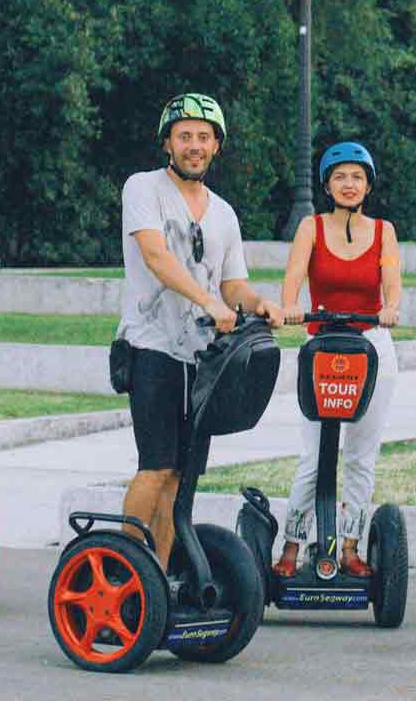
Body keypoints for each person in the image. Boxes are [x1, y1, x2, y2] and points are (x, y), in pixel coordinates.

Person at [117, 93, 280, 566]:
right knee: (155, 467)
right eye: (184, 136)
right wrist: (206, 300)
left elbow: (233, 285)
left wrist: (257, 303)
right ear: (167, 143)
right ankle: (122, 566)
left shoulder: (224, 213)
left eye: (203, 137)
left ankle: (160, 578)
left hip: (204, 360)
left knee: (181, 477)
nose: (194, 145)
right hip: (151, 348)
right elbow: (155, 255)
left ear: (216, 147)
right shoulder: (143, 188)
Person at [274, 142, 404, 579]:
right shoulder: (310, 228)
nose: (349, 185)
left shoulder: (384, 230)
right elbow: (292, 280)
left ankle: (349, 546)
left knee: (361, 457)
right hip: (321, 347)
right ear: (328, 184)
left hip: (371, 345)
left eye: (357, 177)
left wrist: (390, 307)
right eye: (340, 177)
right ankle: (291, 546)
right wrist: (291, 305)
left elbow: (393, 284)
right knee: (313, 458)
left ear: (368, 184)